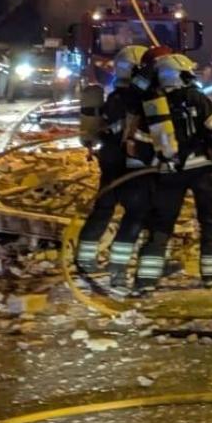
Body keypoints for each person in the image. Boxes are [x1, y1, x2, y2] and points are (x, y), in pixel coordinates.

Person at [132, 52, 212, 296]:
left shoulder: (154, 106)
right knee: (208, 221)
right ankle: (211, 275)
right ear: (180, 74)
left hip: (170, 173)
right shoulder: (197, 98)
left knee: (161, 225)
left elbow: (143, 146)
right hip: (202, 172)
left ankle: (146, 279)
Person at [74, 44, 155, 286]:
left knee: (103, 209)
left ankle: (84, 259)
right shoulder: (133, 98)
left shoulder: (114, 97)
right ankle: (117, 267)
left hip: (110, 161)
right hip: (131, 165)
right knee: (135, 215)